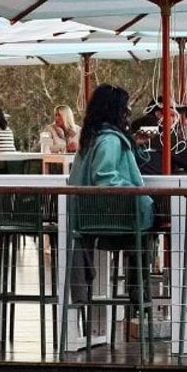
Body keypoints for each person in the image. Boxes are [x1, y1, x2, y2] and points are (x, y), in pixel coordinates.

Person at [67, 85, 153, 301]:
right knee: (143, 234)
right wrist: (137, 193)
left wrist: (135, 144)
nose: (128, 111)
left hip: (86, 218)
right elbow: (105, 178)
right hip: (111, 219)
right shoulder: (110, 140)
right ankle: (138, 292)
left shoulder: (91, 137)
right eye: (125, 107)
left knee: (141, 235)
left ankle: (137, 292)